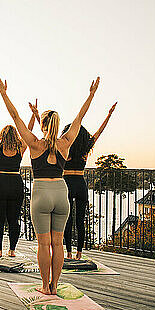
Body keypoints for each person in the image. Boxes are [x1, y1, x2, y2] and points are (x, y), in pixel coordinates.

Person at [0, 74, 100, 295]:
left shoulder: (34, 144)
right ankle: (55, 285)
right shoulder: (65, 143)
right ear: (58, 125)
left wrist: (3, 93)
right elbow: (80, 118)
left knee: (44, 245)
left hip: (41, 192)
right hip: (61, 192)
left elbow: (15, 117)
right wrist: (91, 95)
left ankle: (45, 287)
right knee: (58, 243)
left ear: (42, 125)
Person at [0, 100, 38, 257]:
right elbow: (27, 130)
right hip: (15, 184)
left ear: (2, 136)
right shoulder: (20, 147)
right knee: (14, 219)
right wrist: (33, 114)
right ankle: (12, 250)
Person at [63, 102, 117, 259]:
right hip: (80, 183)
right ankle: (79, 253)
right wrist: (109, 115)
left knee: (67, 219)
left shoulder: (65, 146)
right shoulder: (86, 147)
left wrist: (39, 118)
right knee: (80, 220)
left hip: (66, 182)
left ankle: (69, 252)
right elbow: (100, 131)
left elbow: (50, 136)